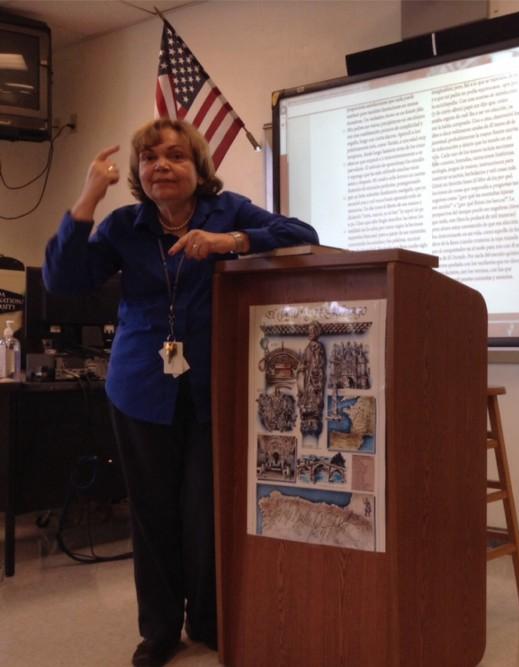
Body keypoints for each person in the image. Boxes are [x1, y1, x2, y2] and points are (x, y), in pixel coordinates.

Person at [43, 118, 318, 667]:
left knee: (206, 513)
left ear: (198, 168)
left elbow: (302, 234)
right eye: (149, 158)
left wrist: (233, 241)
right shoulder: (125, 225)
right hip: (141, 389)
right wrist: (88, 196)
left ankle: (210, 620)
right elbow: (63, 279)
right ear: (140, 173)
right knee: (153, 514)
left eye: (174, 156)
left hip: (215, 387)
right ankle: (161, 630)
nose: (161, 166)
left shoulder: (229, 209)